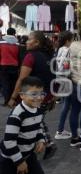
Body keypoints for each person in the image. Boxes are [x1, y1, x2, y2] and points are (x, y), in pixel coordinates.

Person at [8, 31, 57, 160]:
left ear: (37, 43)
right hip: (46, 96)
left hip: (34, 97)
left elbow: (22, 79)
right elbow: (55, 79)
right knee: (37, 119)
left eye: (29, 39)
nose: (26, 41)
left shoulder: (31, 56)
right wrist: (53, 97)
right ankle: (44, 144)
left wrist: (13, 97)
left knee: (31, 120)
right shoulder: (50, 56)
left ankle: (23, 148)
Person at [0, 77, 46, 174]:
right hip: (11, 158)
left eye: (41, 93)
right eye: (34, 94)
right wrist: (19, 162)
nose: (39, 97)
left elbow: (39, 126)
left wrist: (41, 139)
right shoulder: (17, 115)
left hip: (28, 154)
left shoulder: (39, 109)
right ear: (22, 96)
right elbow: (9, 141)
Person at [54, 31, 73, 140]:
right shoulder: (67, 50)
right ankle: (60, 130)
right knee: (66, 105)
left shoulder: (59, 49)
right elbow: (66, 65)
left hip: (59, 78)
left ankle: (61, 130)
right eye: (72, 39)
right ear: (67, 41)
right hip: (65, 78)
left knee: (66, 104)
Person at [0, 28, 19, 106]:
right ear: (14, 33)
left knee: (5, 83)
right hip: (15, 65)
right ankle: (13, 100)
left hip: (3, 65)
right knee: (13, 83)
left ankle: (7, 101)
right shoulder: (17, 43)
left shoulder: (1, 42)